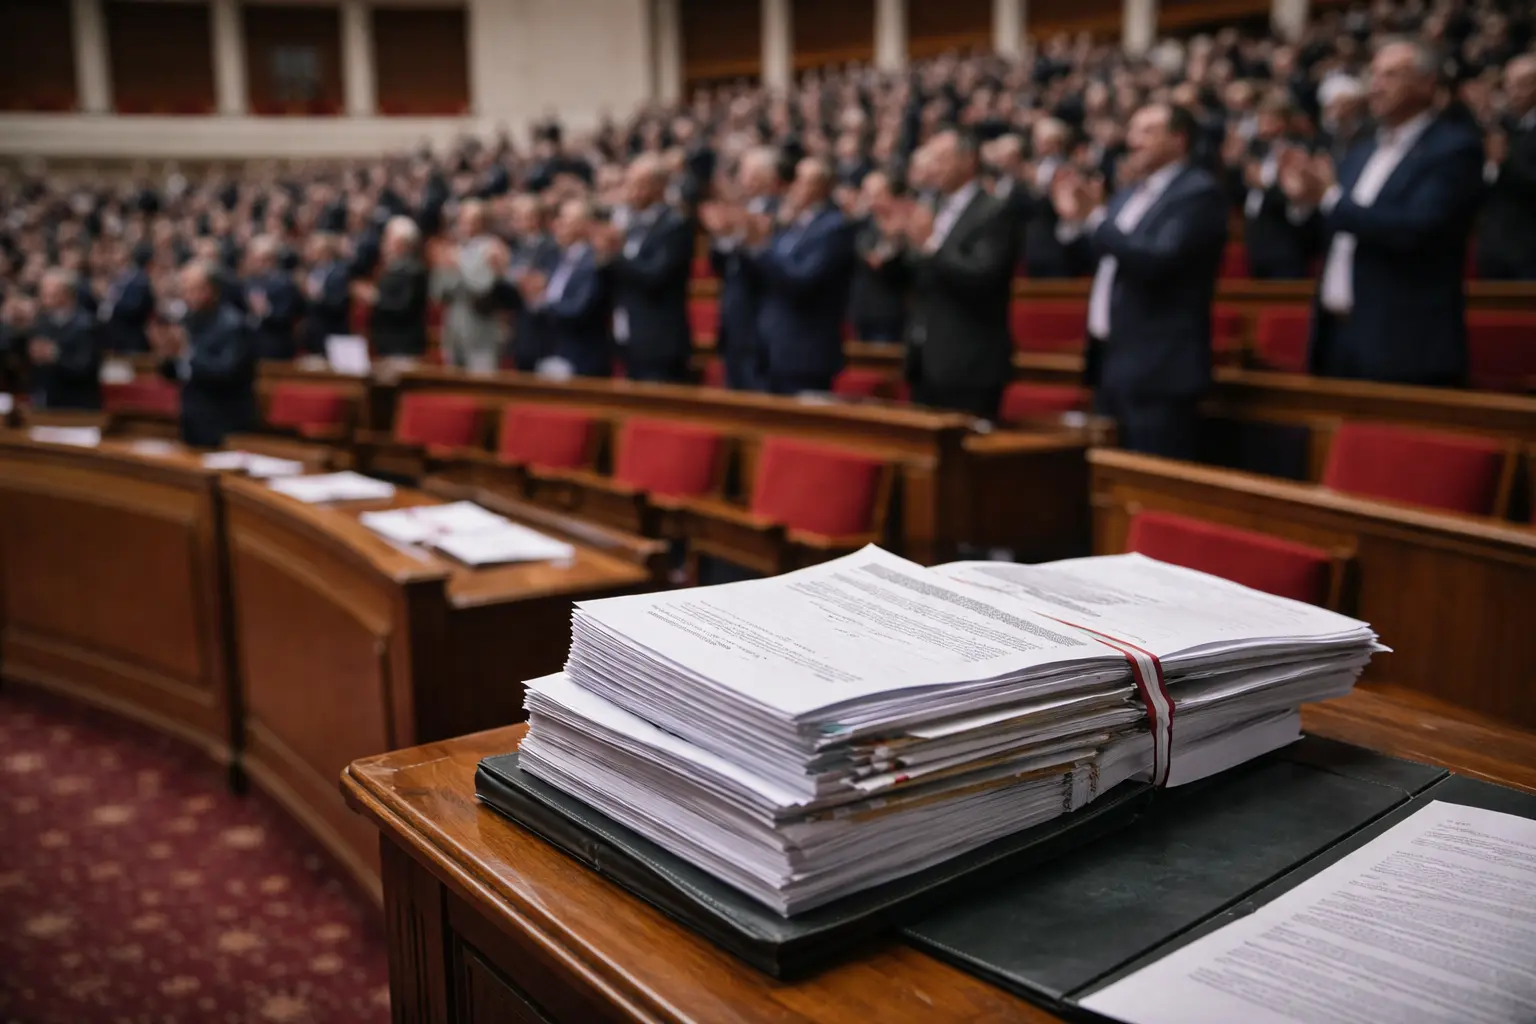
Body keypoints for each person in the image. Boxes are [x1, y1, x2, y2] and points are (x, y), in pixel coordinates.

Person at [1282, 39, 1485, 386]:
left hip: (1403, 343)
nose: (1376, 84)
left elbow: (1415, 230)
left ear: (1426, 83)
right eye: (1373, 74)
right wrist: (1304, 201)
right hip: (1336, 334)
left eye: (1391, 75)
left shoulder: (1453, 149)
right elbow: (1336, 229)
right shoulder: (1361, 151)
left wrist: (1328, 198)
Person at [1054, 103, 1228, 459]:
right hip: (1112, 360)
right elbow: (1101, 256)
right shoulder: (1128, 195)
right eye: (1132, 131)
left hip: (1159, 368)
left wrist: (1096, 219)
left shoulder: (1197, 192)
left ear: (1179, 139)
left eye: (1147, 131)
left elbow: (1158, 259)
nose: (1133, 141)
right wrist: (1075, 223)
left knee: (1153, 479)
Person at [899, 128, 1015, 419]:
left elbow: (982, 277)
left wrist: (930, 245)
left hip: (969, 363)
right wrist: (896, 244)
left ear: (968, 161)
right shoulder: (932, 207)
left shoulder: (994, 210)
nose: (932, 167)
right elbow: (916, 277)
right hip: (924, 358)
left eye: (941, 159)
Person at [746, 156, 855, 395]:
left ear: (821, 187)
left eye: (801, 181)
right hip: (773, 345)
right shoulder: (792, 222)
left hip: (805, 349)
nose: (793, 187)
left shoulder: (834, 227)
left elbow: (803, 280)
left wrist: (761, 248)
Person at [602, 155, 694, 383]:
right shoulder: (631, 223)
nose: (630, 191)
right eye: (629, 183)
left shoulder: (674, 224)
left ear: (658, 186)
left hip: (659, 340)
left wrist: (616, 254)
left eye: (637, 183)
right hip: (629, 334)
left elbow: (656, 275)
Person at [703, 146, 780, 390]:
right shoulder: (739, 211)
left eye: (746, 173)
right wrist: (723, 236)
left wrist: (747, 237)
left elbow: (771, 266)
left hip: (760, 321)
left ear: (764, 177)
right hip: (734, 321)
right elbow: (721, 266)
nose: (742, 180)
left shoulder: (778, 211)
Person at [158, 261, 256, 447]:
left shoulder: (233, 325)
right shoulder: (189, 320)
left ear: (211, 290)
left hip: (223, 420)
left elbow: (227, 373)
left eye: (193, 290)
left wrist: (185, 353)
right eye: (184, 290)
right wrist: (167, 356)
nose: (187, 297)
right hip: (192, 418)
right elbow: (174, 374)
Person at [1232, 97, 1316, 279]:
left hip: (1284, 243)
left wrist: (1264, 185)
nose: (1262, 125)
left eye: (1268, 119)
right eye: (1260, 119)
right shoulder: (1258, 152)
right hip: (1257, 240)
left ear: (1284, 122)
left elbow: (1297, 201)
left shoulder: (1298, 152)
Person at [527, 199, 612, 378]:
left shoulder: (594, 262)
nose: (557, 225)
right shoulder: (555, 258)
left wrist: (543, 304)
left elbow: (579, 309)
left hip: (582, 355)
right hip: (551, 349)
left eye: (565, 220)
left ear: (584, 226)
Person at [1477, 54, 1536, 280]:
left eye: (1522, 84)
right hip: (1493, 244)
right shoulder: (1500, 126)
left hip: (1528, 246)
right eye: (1509, 84)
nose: (1513, 91)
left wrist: (1504, 161)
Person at [435, 200, 508, 372]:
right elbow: (438, 293)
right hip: (454, 331)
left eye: (471, 220)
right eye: (462, 219)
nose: (464, 225)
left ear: (483, 223)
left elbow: (482, 287)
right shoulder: (456, 247)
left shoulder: (493, 248)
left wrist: (459, 262)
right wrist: (444, 269)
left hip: (481, 333)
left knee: (481, 389)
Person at [847, 169, 909, 344]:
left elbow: (885, 263)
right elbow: (866, 255)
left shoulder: (906, 225)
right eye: (866, 193)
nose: (870, 199)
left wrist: (892, 241)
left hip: (890, 313)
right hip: (862, 311)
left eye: (875, 193)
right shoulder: (862, 224)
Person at [28, 268, 102, 411]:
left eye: (48, 292)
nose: (43, 297)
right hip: (46, 402)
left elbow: (86, 368)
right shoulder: (42, 322)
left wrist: (55, 356)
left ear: (65, 294)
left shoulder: (87, 325)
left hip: (77, 406)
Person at [504, 195, 561, 371]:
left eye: (522, 217)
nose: (517, 222)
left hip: (545, 326)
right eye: (516, 217)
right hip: (521, 323)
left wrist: (527, 280)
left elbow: (543, 282)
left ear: (536, 218)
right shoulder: (516, 246)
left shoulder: (552, 246)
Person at [368, 216, 430, 359]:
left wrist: (376, 298)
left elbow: (404, 306)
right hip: (386, 342)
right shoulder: (391, 268)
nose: (384, 244)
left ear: (402, 243)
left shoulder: (414, 271)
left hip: (403, 344)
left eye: (388, 239)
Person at [243, 234, 303, 361]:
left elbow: (287, 317)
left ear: (270, 260)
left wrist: (266, 311)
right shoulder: (250, 281)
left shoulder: (285, 283)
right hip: (251, 343)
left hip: (275, 346)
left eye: (256, 259)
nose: (252, 263)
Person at [300, 232, 351, 354]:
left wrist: (317, 296)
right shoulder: (312, 271)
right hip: (314, 332)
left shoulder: (339, 273)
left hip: (331, 331)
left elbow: (338, 305)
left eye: (313, 249)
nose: (310, 252)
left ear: (325, 252)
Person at [101, 242, 155, 353]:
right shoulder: (118, 280)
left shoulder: (139, 280)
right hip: (117, 338)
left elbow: (136, 307)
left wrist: (112, 305)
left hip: (131, 339)